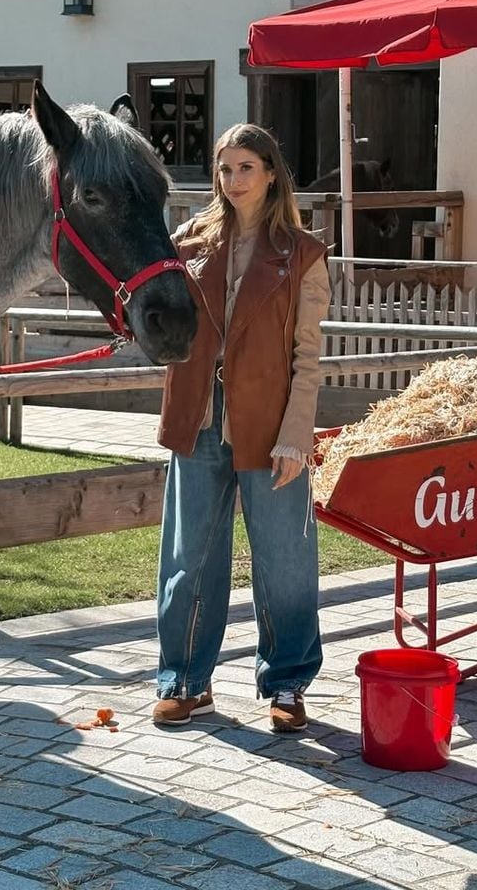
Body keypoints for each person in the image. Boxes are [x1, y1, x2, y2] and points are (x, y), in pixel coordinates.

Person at [154, 123, 330, 733]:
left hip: (270, 426)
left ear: (272, 172)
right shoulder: (188, 242)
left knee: (284, 558)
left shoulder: (302, 253)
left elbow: (308, 356)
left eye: (246, 168)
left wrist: (296, 435)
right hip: (197, 416)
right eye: (224, 169)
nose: (232, 181)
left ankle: (287, 684)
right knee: (189, 557)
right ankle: (183, 681)